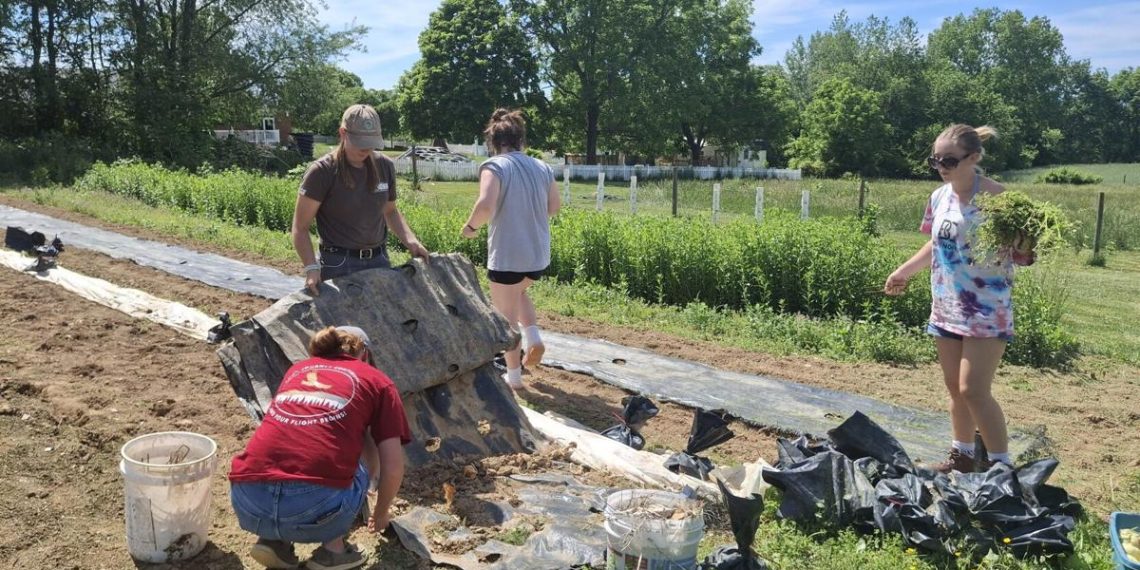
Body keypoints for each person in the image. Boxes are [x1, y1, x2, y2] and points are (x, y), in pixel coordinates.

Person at [884, 124, 1033, 474]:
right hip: (947, 306)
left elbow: (1023, 256)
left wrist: (1025, 240)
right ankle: (962, 457)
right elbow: (936, 245)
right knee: (955, 388)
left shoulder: (1000, 200)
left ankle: (1000, 469)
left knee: (974, 390)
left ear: (974, 158)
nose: (941, 167)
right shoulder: (939, 197)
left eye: (949, 160)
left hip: (986, 310)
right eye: (935, 160)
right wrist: (903, 271)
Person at [229, 326, 410, 570]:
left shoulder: (297, 370)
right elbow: (394, 466)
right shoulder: (378, 381)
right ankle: (333, 552)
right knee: (357, 445)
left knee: (301, 441)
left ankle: (273, 541)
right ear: (364, 353)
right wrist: (380, 515)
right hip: (314, 505)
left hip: (248, 499)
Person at [461, 108, 561, 389]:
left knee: (505, 318)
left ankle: (514, 378)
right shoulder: (542, 167)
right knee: (519, 291)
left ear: (494, 141)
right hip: (537, 256)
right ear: (520, 139)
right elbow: (554, 207)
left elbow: (485, 205)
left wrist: (471, 228)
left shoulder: (494, 166)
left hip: (507, 256)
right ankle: (535, 338)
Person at [293, 104, 430, 296]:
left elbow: (390, 211)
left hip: (378, 259)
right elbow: (300, 227)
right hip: (337, 263)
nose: (366, 148)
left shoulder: (384, 166)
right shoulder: (322, 171)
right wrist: (310, 268)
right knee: (343, 325)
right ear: (343, 133)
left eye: (371, 141)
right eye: (360, 141)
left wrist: (411, 241)